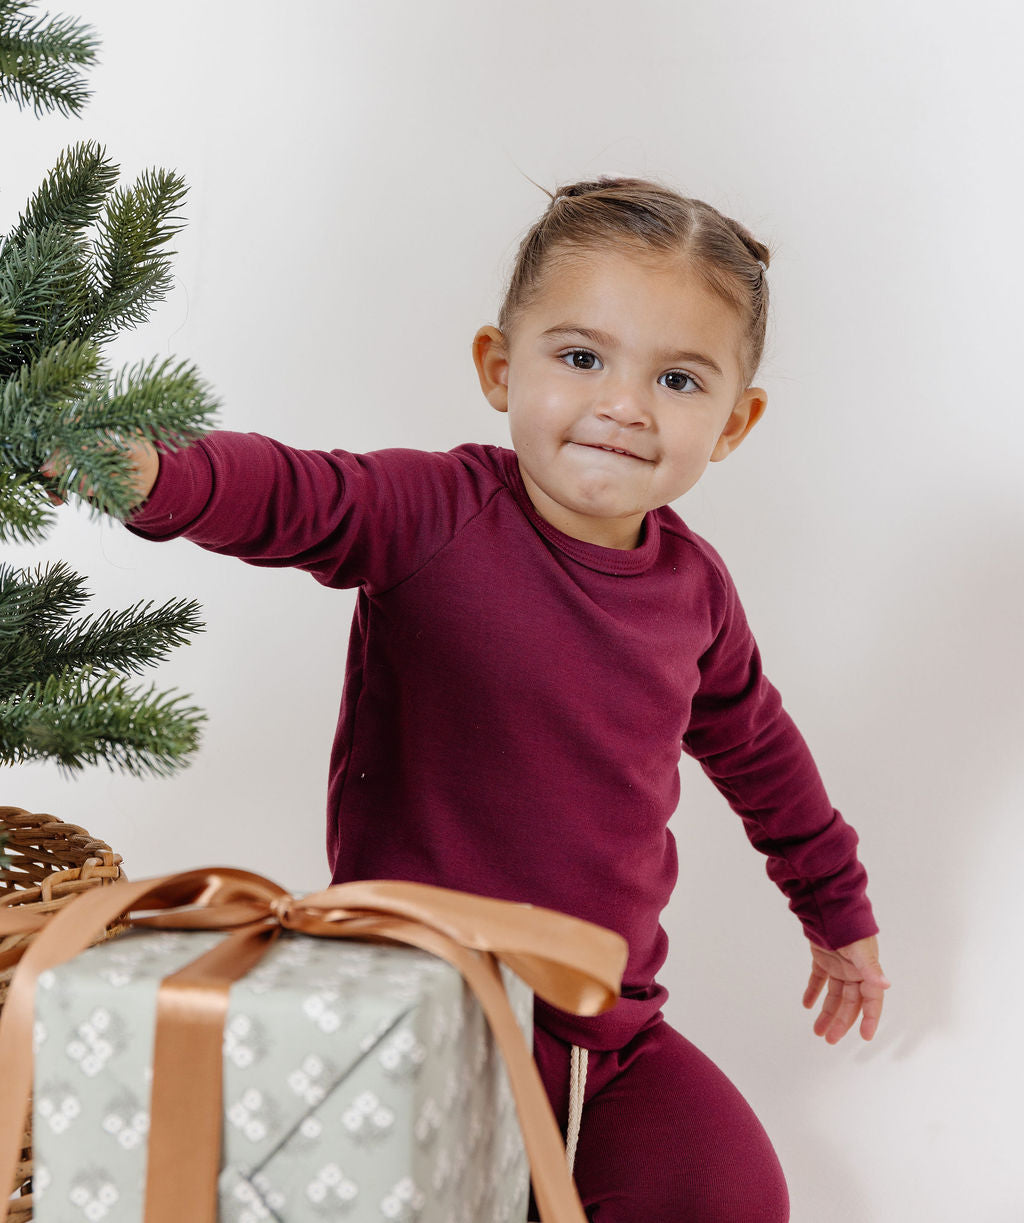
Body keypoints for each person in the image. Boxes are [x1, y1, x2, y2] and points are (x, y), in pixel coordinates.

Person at [103, 177, 890, 1221]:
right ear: (497, 367)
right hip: (418, 1009)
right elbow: (294, 493)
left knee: (732, 1190)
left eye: (679, 378)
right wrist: (154, 471)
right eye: (581, 357)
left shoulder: (693, 591)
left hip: (602, 1027)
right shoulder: (433, 512)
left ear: (734, 422)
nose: (624, 403)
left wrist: (835, 907)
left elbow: (760, 752)